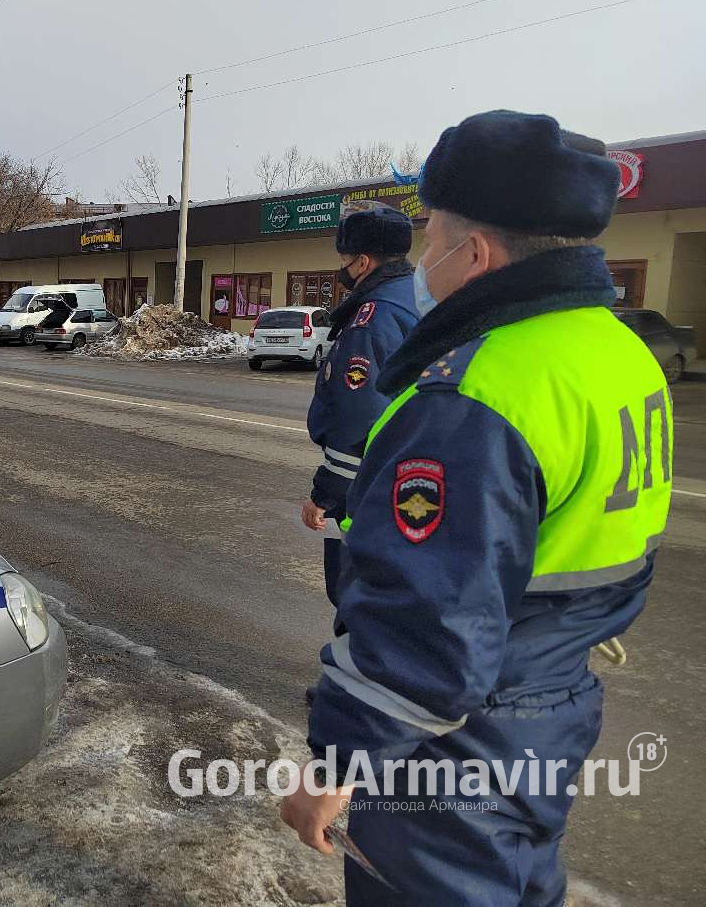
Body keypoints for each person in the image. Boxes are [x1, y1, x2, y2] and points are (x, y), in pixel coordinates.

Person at [280, 110, 673, 906]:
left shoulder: (475, 395)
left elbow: (428, 627)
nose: (424, 256)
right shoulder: (615, 350)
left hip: (458, 743)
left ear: (477, 252)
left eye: (433, 238)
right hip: (556, 699)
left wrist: (337, 768)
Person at [303, 206, 419, 604]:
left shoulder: (374, 317)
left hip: (368, 486)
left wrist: (326, 493)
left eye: (344, 260)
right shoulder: (416, 296)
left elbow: (359, 414)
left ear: (363, 262)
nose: (341, 269)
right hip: (409, 475)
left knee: (354, 595)